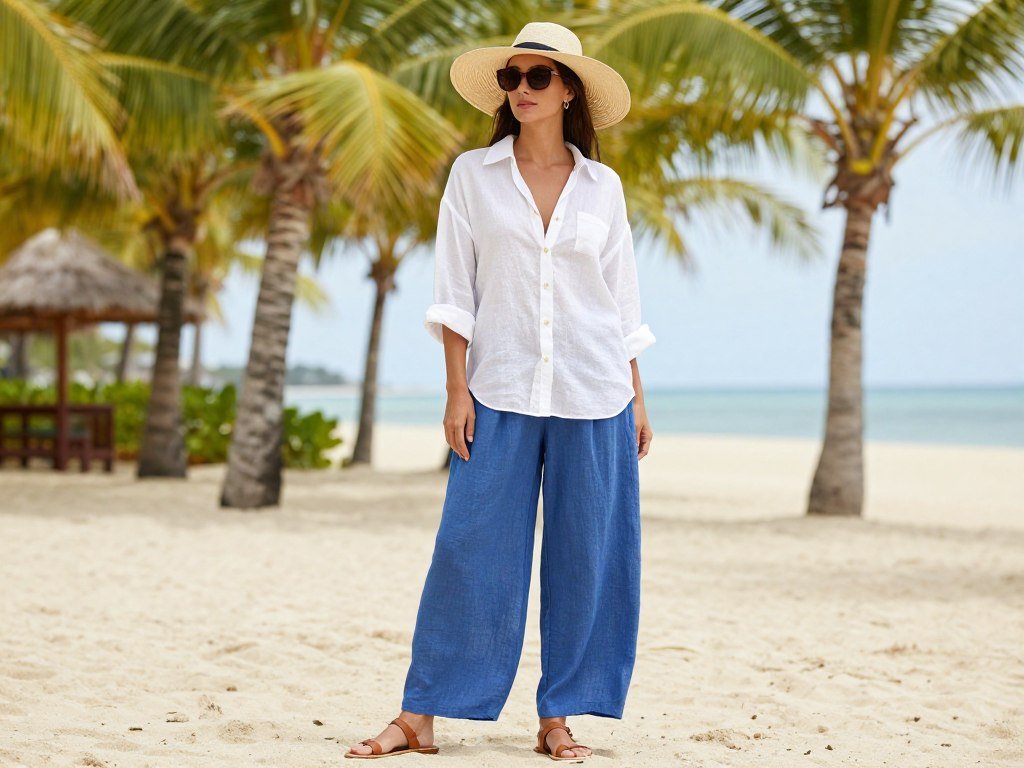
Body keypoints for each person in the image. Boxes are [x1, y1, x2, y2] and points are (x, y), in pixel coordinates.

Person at [346, 21, 655, 761]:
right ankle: (419, 715)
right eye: (510, 77)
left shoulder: (603, 187)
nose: (521, 88)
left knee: (589, 558)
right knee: (469, 550)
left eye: (537, 76)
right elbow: (455, 290)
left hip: (595, 391)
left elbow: (620, 302)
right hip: (499, 387)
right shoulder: (472, 176)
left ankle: (558, 717)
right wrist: (456, 391)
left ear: (569, 90)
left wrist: (638, 396)